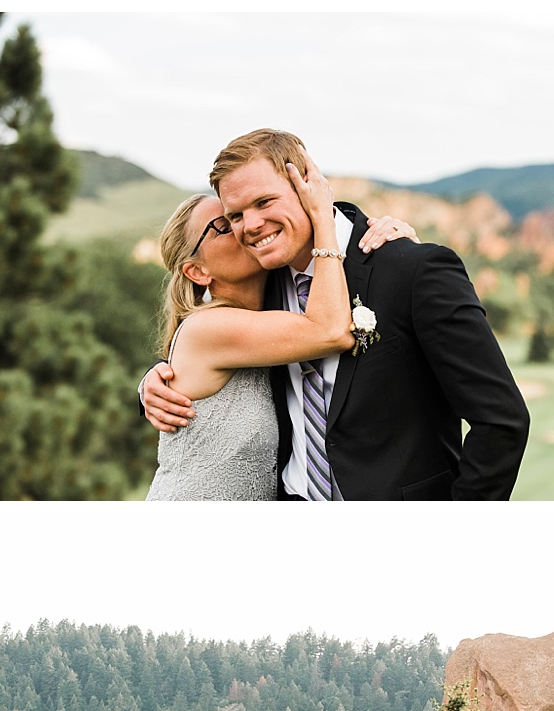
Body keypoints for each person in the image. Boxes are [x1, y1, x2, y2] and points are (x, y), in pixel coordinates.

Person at [141, 127, 529, 501]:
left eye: (263, 202)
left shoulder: (411, 269)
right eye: (235, 216)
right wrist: (154, 382)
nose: (251, 225)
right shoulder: (263, 285)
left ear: (307, 188)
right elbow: (215, 355)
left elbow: (500, 420)